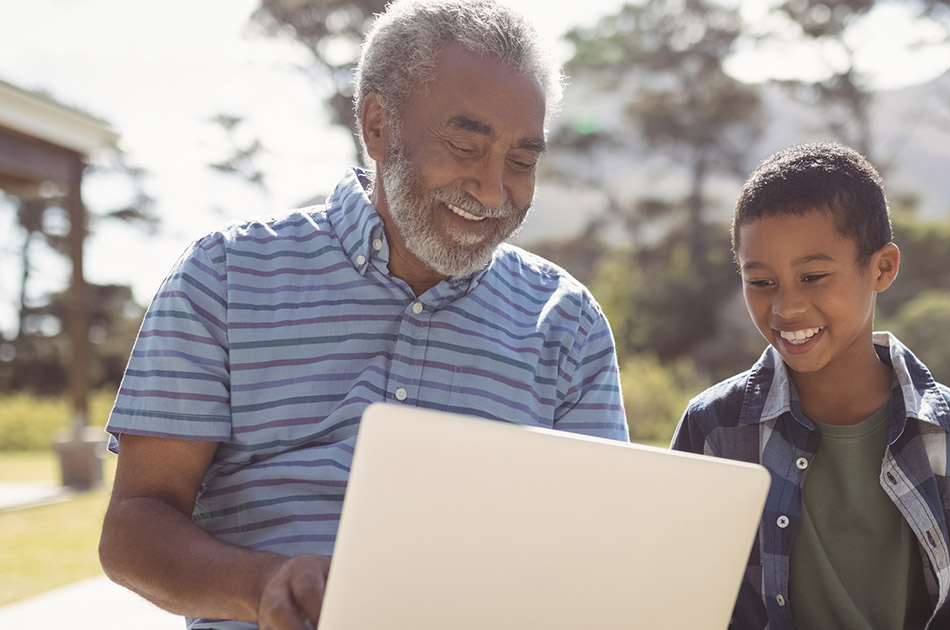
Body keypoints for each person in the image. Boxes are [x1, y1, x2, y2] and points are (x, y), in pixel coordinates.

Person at [98, 2, 628, 629]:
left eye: (522, 160)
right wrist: (263, 587)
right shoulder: (224, 277)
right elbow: (135, 524)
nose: (493, 190)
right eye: (465, 145)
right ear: (378, 125)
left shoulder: (568, 325)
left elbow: (599, 552)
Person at [671, 142, 950, 630]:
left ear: (882, 267)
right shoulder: (713, 428)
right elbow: (680, 590)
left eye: (813, 276)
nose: (786, 308)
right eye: (761, 282)